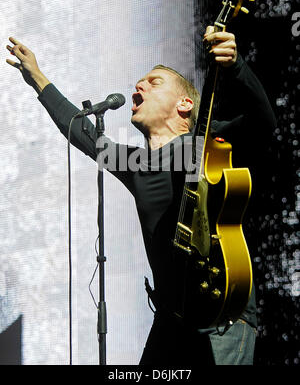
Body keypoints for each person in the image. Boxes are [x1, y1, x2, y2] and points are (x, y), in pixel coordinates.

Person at [6, 27, 276, 365]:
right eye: (140, 82)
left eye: (154, 82)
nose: (139, 85)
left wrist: (236, 66)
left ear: (185, 105)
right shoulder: (136, 164)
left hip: (221, 315)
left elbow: (262, 125)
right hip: (169, 321)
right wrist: (37, 77)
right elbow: (83, 132)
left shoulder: (207, 144)